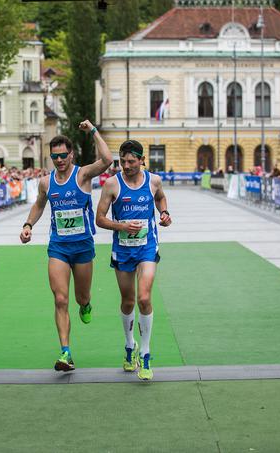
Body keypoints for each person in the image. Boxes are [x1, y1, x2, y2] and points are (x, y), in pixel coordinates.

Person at [19, 120, 113, 372]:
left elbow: (106, 160)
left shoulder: (82, 174)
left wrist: (93, 130)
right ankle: (65, 352)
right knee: (60, 299)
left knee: (81, 297)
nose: (59, 160)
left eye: (63, 156)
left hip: (82, 247)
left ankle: (86, 304)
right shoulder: (46, 183)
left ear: (71, 155)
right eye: (55, 156)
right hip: (58, 247)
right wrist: (28, 224)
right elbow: (39, 204)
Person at [95, 139, 172, 381]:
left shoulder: (154, 181)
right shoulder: (111, 184)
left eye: (131, 161)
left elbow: (160, 198)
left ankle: (146, 353)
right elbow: (99, 218)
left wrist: (164, 213)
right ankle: (130, 346)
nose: (125, 166)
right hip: (123, 250)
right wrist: (121, 225)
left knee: (144, 297)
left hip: (147, 248)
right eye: (122, 161)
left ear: (141, 160)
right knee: (128, 301)